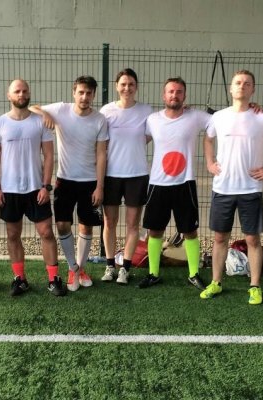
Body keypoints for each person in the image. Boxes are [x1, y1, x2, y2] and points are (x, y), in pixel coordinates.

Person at [201, 70, 263, 303]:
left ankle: (255, 286)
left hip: (251, 189)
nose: (242, 86)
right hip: (223, 188)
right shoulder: (219, 117)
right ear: (231, 88)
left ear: (252, 89)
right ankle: (216, 283)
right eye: (238, 82)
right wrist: (209, 162)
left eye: (247, 83)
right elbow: (207, 139)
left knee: (253, 240)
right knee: (220, 238)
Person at [0, 79, 65, 297]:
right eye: (17, 91)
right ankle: (20, 279)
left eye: (24, 91)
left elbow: (48, 155)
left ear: (29, 94)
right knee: (13, 234)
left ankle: (53, 279)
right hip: (9, 190)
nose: (21, 94)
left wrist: (45, 186)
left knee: (46, 232)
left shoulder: (40, 122)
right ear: (9, 95)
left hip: (35, 189)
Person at [30, 75, 108, 292]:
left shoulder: (100, 119)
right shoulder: (61, 109)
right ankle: (73, 267)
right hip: (64, 180)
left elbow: (101, 154)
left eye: (89, 93)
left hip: (90, 182)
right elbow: (32, 108)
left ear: (93, 95)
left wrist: (99, 186)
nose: (84, 97)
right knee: (62, 225)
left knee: (86, 225)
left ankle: (80, 269)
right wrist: (46, 113)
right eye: (81, 92)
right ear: (74, 93)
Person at [137, 77, 214, 290]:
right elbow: (136, 140)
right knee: (155, 231)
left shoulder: (195, 117)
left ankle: (193, 274)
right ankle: (153, 274)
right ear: (164, 95)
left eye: (179, 92)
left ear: (184, 96)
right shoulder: (152, 120)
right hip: (158, 184)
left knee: (190, 231)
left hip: (184, 183)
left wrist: (250, 107)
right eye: (171, 91)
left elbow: (222, 120)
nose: (174, 95)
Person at [99, 68, 152, 285]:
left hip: (137, 175)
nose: (127, 88)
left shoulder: (146, 111)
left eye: (131, 84)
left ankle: (125, 268)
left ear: (136, 87)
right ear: (116, 86)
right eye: (123, 84)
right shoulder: (106, 111)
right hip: (111, 175)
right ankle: (110, 265)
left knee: (132, 225)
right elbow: (101, 141)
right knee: (109, 222)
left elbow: (149, 135)